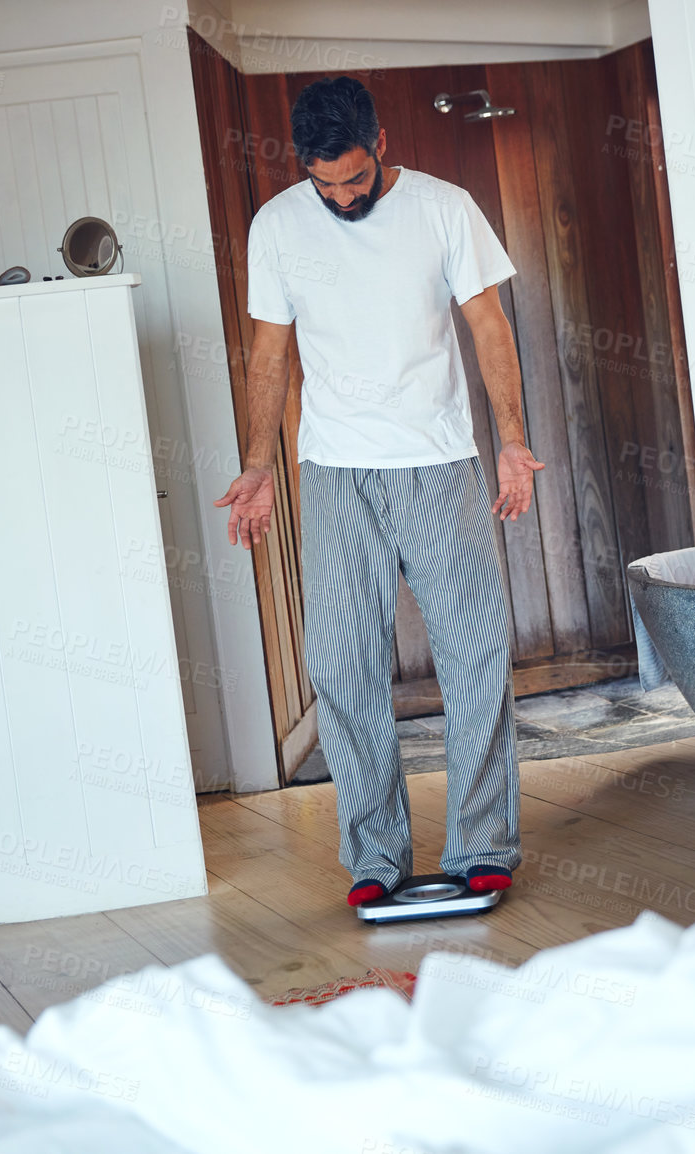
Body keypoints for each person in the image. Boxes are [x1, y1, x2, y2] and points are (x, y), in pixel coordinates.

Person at [216, 76, 544, 906]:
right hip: (334, 472)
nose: (342, 196)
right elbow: (267, 356)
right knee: (341, 665)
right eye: (325, 184)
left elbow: (488, 325)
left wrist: (510, 441)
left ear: (382, 144)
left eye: (354, 179)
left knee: (472, 658)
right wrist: (258, 463)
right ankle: (374, 859)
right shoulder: (278, 226)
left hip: (435, 462)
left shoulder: (444, 208)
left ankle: (482, 846)